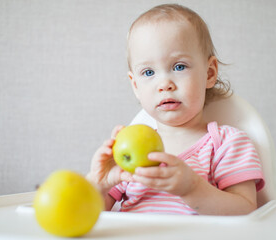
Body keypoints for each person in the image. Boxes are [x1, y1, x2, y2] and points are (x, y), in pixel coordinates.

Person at [86, 4, 264, 215]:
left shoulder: (226, 144)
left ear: (209, 73)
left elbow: (246, 210)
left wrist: (193, 189)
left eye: (179, 66)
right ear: (135, 85)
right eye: (149, 72)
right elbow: (88, 216)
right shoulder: (125, 147)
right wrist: (99, 184)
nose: (164, 84)